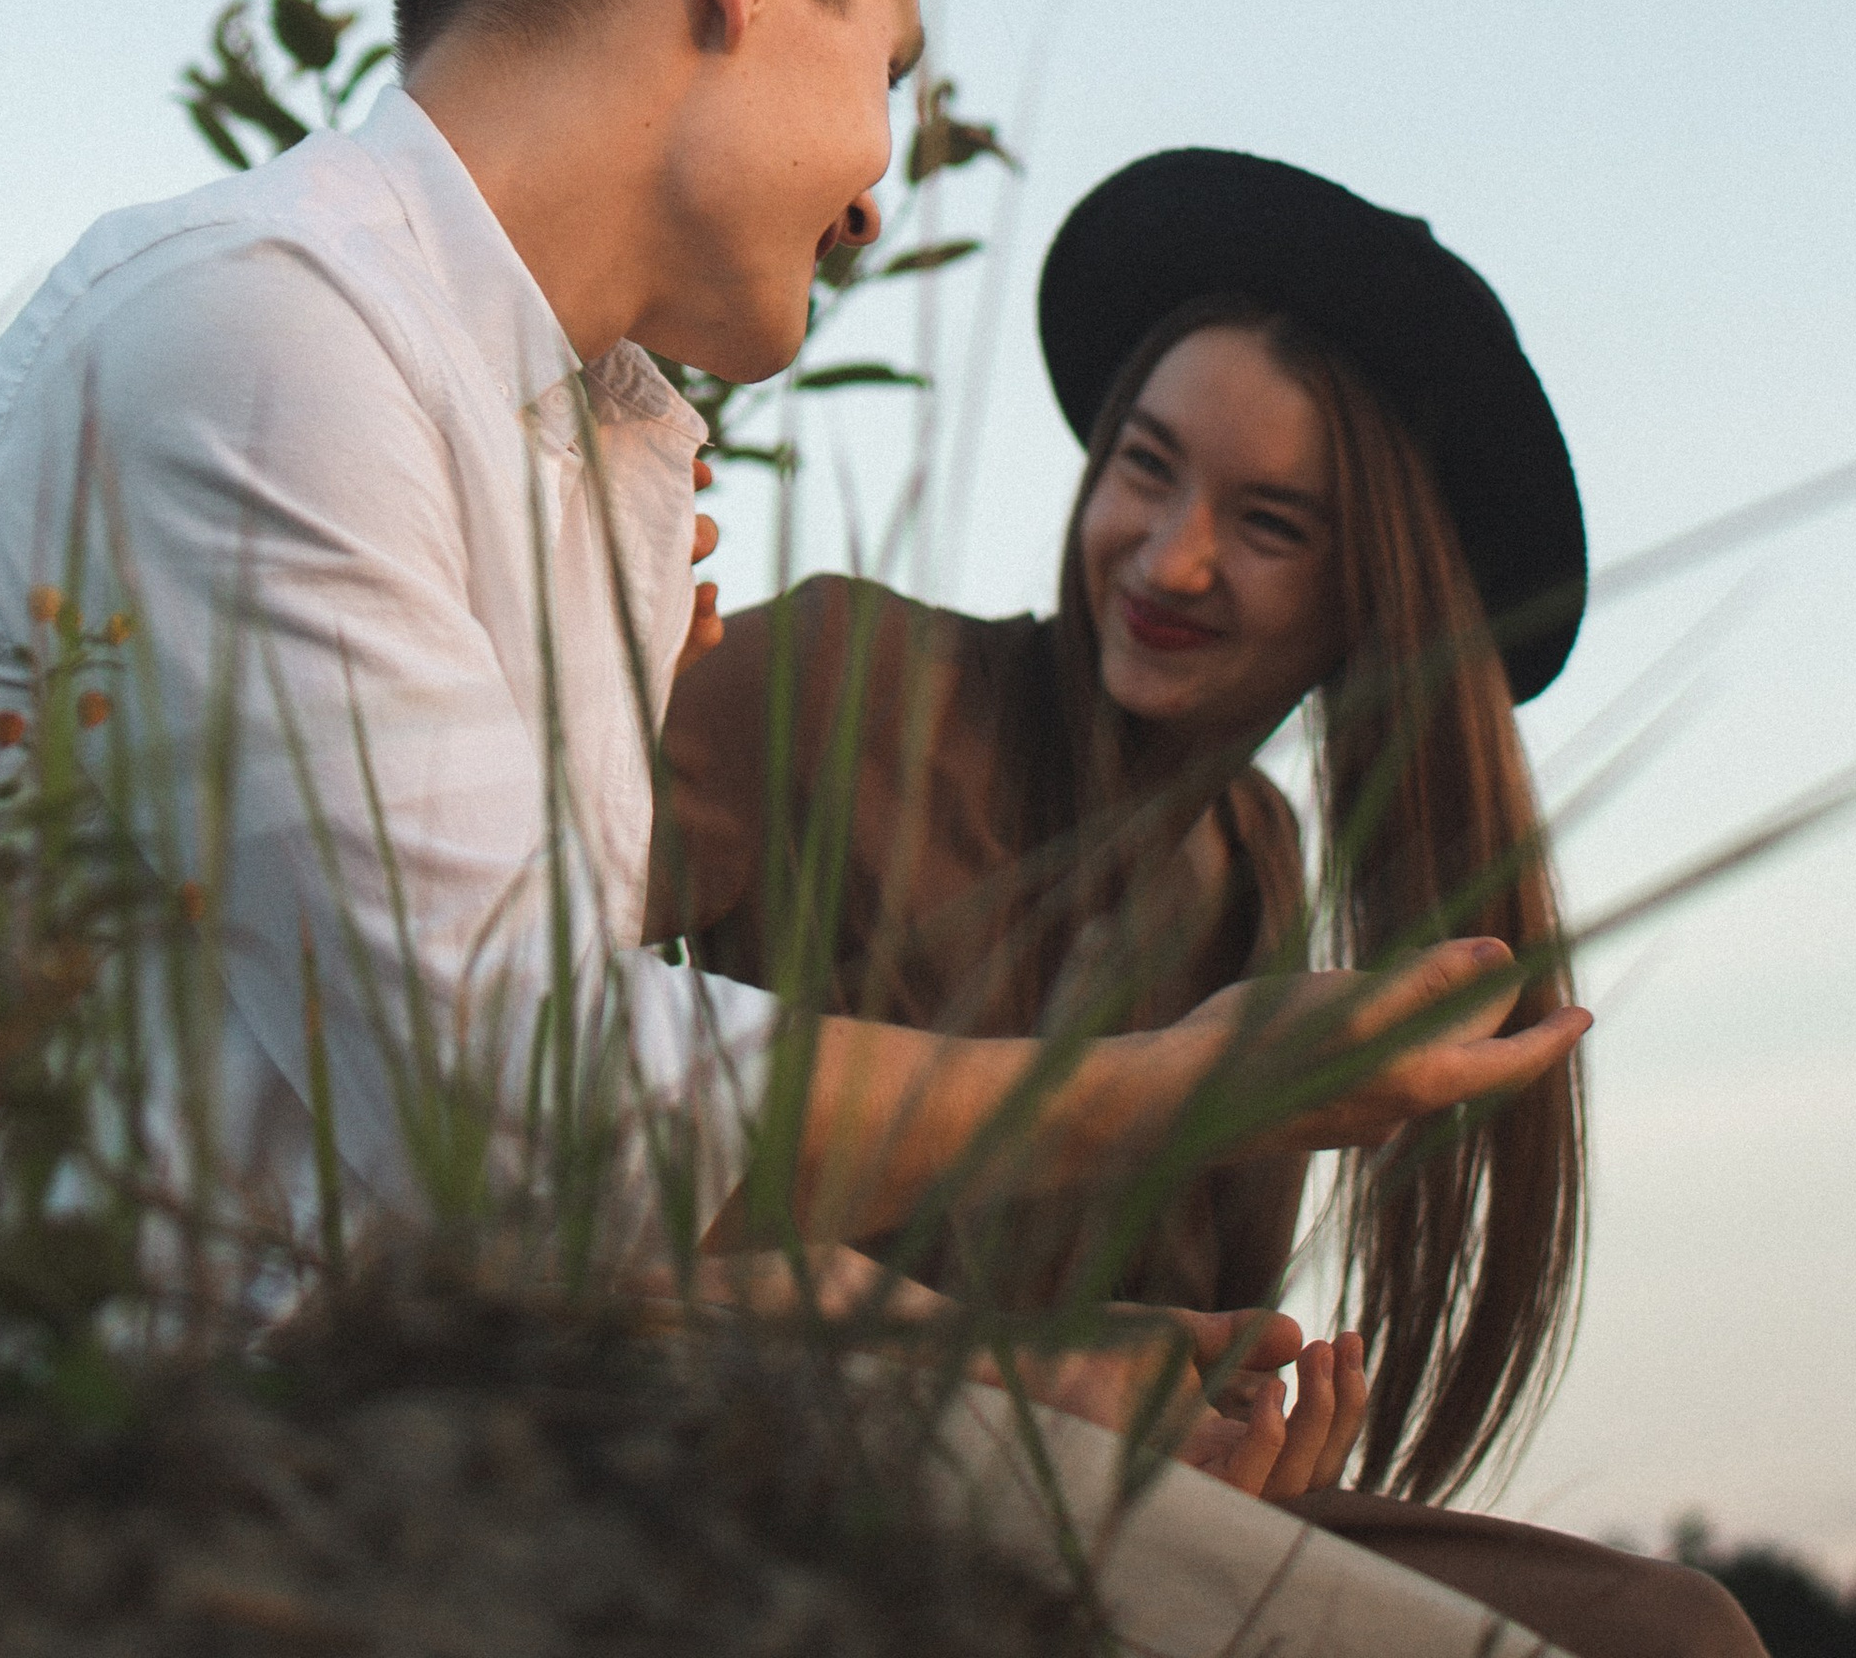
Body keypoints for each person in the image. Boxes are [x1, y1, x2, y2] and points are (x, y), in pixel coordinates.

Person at [0, 0, 1591, 1658]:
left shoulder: (576, 449)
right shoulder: (264, 335)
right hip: (159, 1463)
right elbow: (519, 1122)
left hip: (431, 1408)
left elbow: (531, 1193)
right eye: (892, 69)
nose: (875, 180)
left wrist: (999, 1357)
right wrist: (1149, 1099)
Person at [656, 147, 1761, 1658]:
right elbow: (489, 1079)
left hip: (1084, 1507)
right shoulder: (841, 677)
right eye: (1147, 466)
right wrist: (1022, 1373)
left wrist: (1225, 1410)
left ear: (1368, 597)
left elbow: (1172, 1349)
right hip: (771, 1430)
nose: (1171, 559)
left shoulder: (1261, 879)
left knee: (1669, 1627)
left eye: (1272, 524)